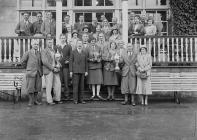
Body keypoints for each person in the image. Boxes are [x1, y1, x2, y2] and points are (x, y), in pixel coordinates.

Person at [19, 39, 42, 106]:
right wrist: (28, 68)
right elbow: (22, 62)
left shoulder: (39, 53)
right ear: (32, 45)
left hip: (38, 72)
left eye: (37, 44)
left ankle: (35, 101)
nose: (36, 45)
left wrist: (41, 71)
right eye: (35, 44)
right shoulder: (28, 52)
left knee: (37, 87)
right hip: (30, 72)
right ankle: (30, 101)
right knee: (30, 87)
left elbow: (40, 63)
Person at [41, 38, 62, 105]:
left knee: (58, 84)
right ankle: (49, 101)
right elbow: (44, 62)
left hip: (55, 70)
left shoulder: (53, 50)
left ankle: (57, 99)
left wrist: (58, 64)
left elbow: (55, 60)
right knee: (49, 86)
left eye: (51, 42)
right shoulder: (44, 51)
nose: (50, 43)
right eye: (49, 42)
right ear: (46, 43)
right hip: (49, 70)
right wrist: (53, 68)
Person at [69, 40, 88, 104]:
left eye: (80, 43)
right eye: (78, 43)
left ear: (82, 45)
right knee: (75, 86)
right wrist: (71, 71)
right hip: (75, 71)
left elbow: (86, 63)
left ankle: (81, 99)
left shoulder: (84, 52)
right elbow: (71, 62)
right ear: (76, 44)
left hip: (82, 71)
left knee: (82, 86)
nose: (79, 45)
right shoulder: (73, 52)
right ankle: (75, 100)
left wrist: (86, 71)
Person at [54, 34, 72, 100]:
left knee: (66, 81)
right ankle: (59, 95)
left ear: (66, 39)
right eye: (61, 38)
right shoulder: (57, 47)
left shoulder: (69, 46)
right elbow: (54, 56)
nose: (63, 39)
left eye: (64, 38)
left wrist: (68, 61)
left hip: (66, 67)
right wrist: (57, 63)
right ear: (59, 38)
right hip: (59, 67)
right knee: (59, 81)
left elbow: (71, 56)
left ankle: (66, 95)